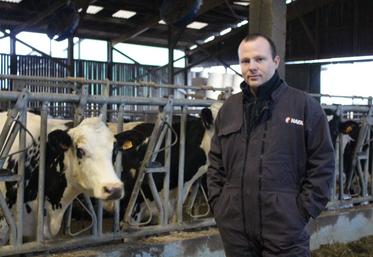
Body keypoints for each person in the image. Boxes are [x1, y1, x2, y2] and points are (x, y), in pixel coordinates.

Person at [207, 33, 335, 257]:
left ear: (275, 61)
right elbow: (216, 162)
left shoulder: (304, 106)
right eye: (245, 61)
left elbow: (322, 163)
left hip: (284, 228)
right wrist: (220, 204)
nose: (252, 67)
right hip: (236, 228)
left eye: (259, 59)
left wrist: (302, 211)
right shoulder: (229, 108)